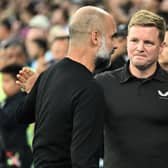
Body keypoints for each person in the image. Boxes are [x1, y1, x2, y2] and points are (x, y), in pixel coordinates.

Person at [16, 6, 117, 168]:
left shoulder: (48, 74)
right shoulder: (89, 89)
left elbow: (22, 114)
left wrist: (37, 90)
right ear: (95, 38)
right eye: (112, 37)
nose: (115, 45)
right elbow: (83, 160)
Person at [96, 10, 168, 168]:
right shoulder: (103, 83)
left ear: (161, 47)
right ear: (126, 41)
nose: (140, 48)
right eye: (134, 41)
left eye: (148, 43)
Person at [0, 64, 33, 168]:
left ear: (18, 82)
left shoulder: (22, 102)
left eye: (7, 81)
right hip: (7, 152)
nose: (3, 85)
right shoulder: (6, 102)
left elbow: (8, 121)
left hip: (18, 152)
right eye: (3, 81)